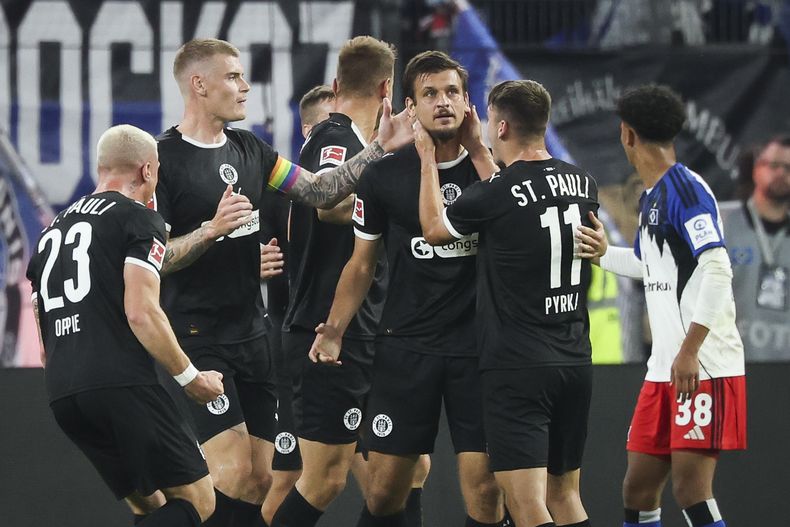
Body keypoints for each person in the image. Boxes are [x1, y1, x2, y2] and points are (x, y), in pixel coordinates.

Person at [155, 38, 413, 527]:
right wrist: (211, 231)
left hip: (254, 337)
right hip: (196, 337)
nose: (245, 86)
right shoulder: (162, 159)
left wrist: (380, 147)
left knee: (262, 482)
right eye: (232, 77)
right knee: (232, 474)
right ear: (199, 84)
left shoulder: (250, 149)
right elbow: (154, 259)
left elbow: (319, 191)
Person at [311, 50, 506, 527]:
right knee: (383, 493)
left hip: (476, 350)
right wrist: (334, 328)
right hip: (406, 347)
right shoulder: (383, 176)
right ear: (409, 106)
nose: (443, 102)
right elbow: (361, 264)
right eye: (430, 93)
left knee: (485, 490)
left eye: (452, 92)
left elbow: (526, 231)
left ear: (468, 104)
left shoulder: (491, 173)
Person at [416, 79, 596, 527]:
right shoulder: (582, 181)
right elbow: (530, 207)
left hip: (519, 365)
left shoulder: (495, 194)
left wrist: (425, 160)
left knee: (526, 501)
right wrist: (481, 152)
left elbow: (435, 230)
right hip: (575, 358)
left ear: (500, 125)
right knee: (566, 495)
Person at [26, 124, 225, 527]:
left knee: (149, 504)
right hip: (120, 383)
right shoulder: (137, 219)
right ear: (148, 171)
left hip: (63, 392)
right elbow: (142, 311)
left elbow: (43, 334)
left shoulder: (50, 233)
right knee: (199, 501)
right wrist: (191, 378)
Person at [578, 84, 746, 527]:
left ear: (627, 134)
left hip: (702, 363)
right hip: (664, 368)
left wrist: (690, 350)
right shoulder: (652, 196)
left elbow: (717, 269)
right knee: (637, 489)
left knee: (691, 490)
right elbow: (652, 268)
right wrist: (604, 255)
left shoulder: (686, 191)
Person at [258, 85, 335, 525]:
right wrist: (252, 261)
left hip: (355, 344)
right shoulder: (274, 190)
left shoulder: (362, 181)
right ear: (308, 131)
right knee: (286, 477)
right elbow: (240, 246)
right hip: (293, 345)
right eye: (330, 124)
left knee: (396, 473)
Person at [719, 135, 790, 361]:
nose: (781, 174)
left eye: (789, 168)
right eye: (774, 165)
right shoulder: (719, 221)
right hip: (726, 367)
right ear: (755, 168)